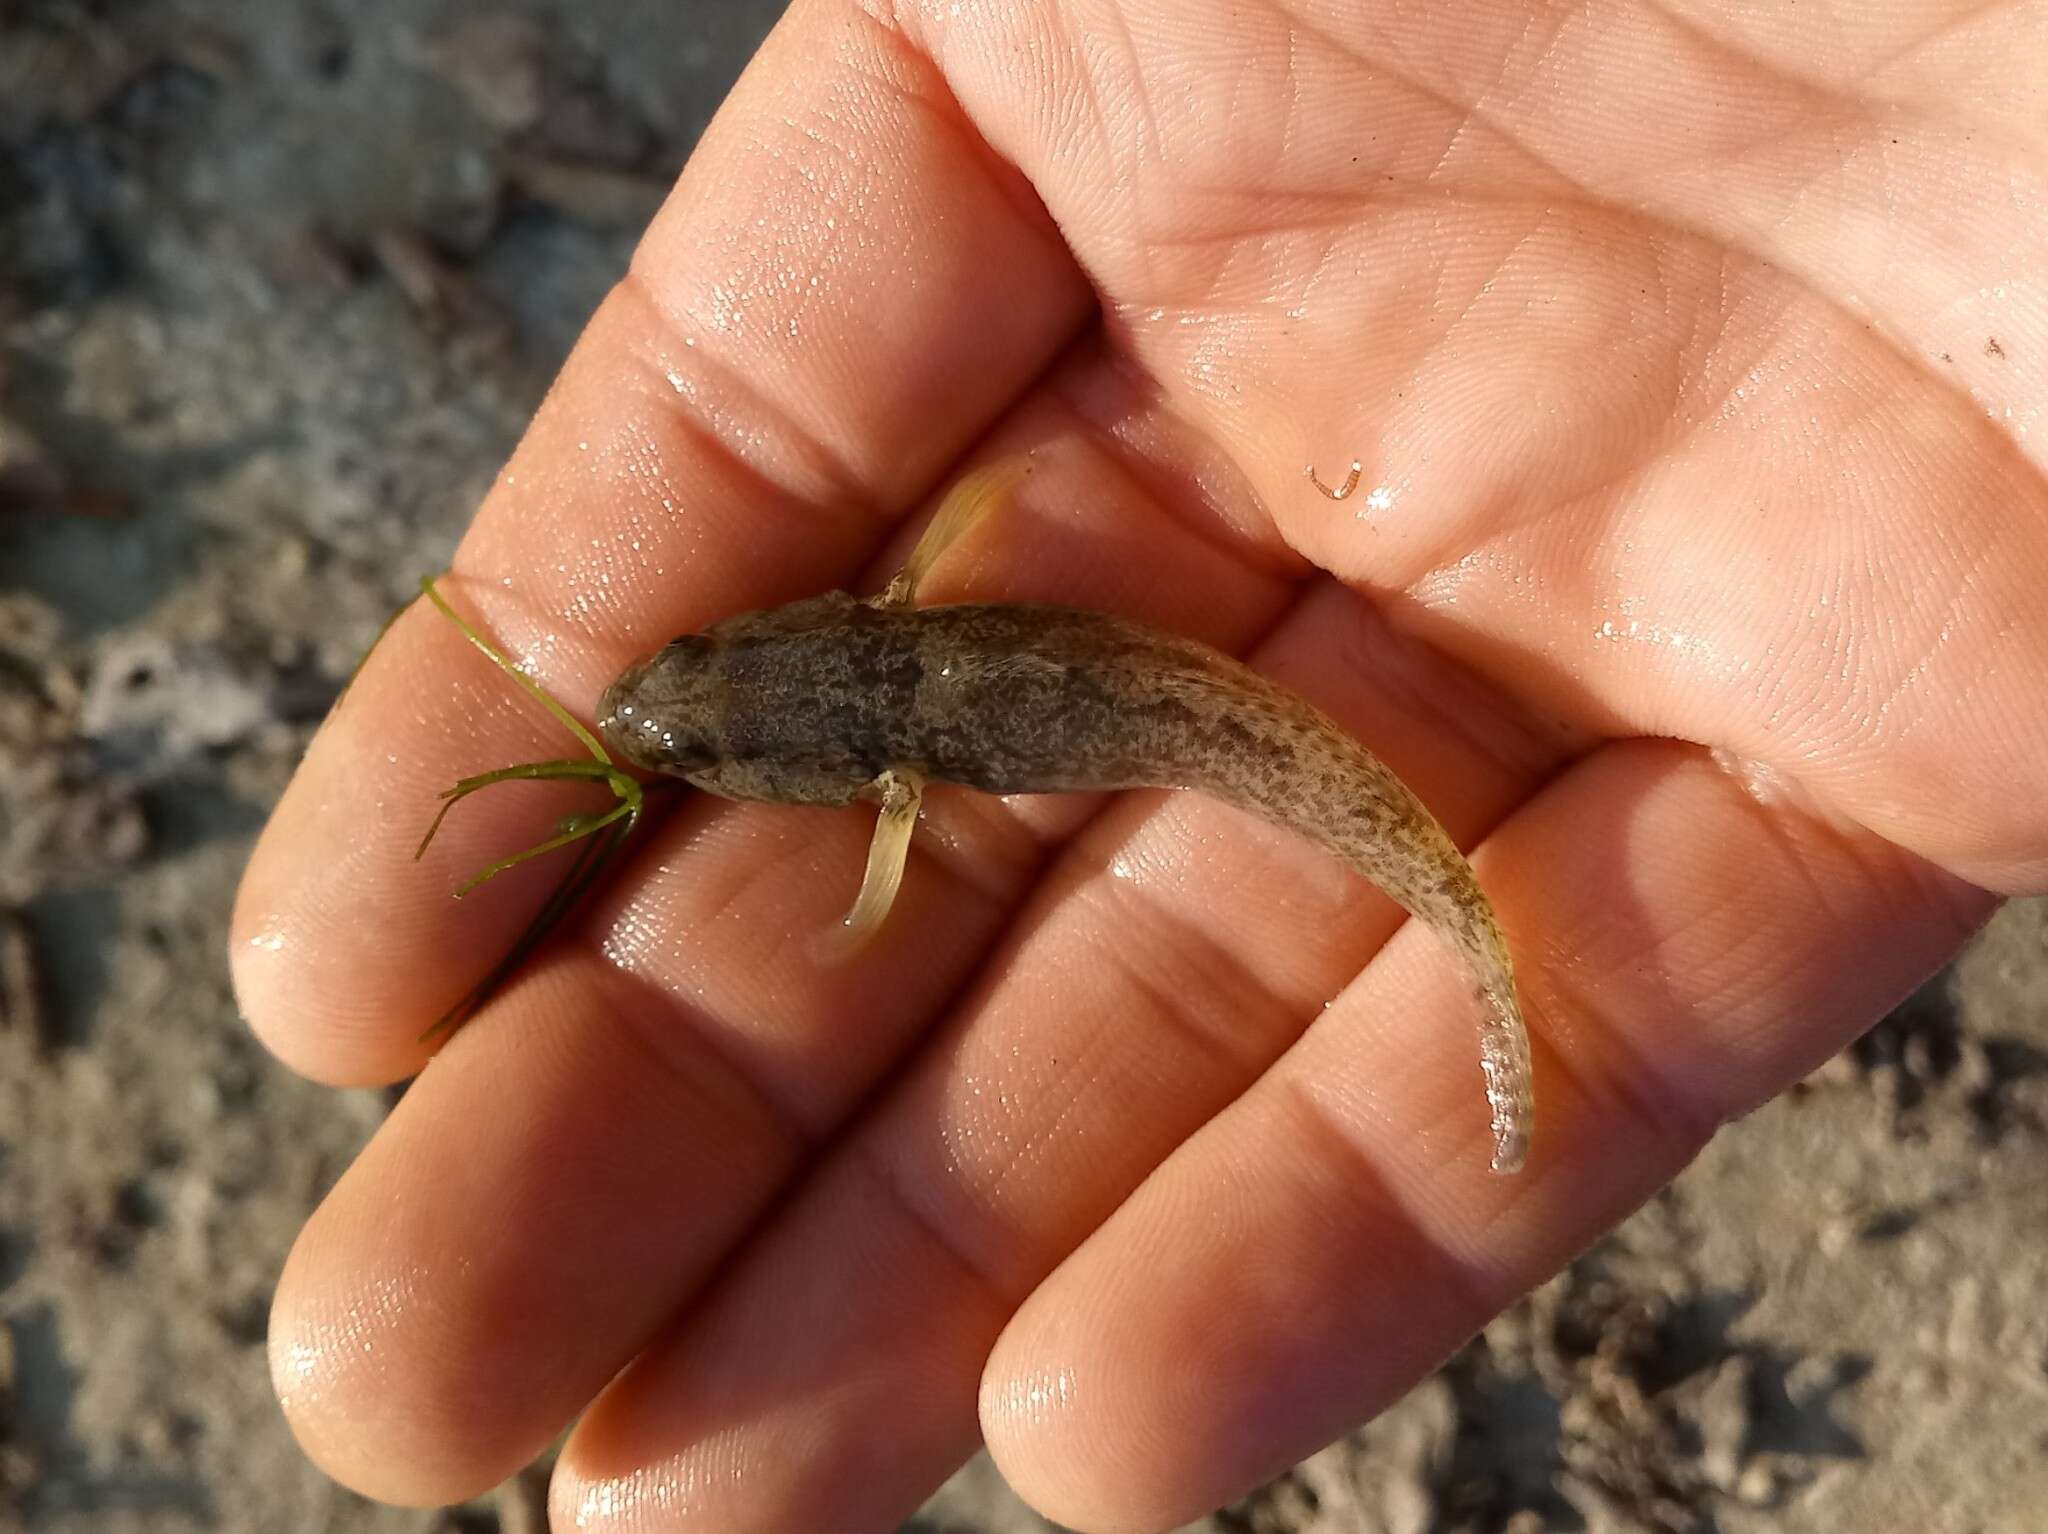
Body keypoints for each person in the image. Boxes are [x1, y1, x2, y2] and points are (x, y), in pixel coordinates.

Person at [229, 3, 2047, 1528]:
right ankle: (1500, 988)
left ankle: (1502, 988)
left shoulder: (891, 751)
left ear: (836, 631)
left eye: (695, 684)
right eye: (702, 729)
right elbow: (988, 512)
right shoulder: (902, 633)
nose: (668, 705)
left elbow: (948, 641)